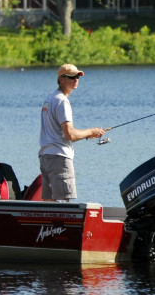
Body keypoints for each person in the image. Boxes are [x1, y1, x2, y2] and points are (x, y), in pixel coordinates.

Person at [38, 64, 106, 202]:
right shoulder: (62, 101)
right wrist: (91, 131)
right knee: (65, 202)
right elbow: (70, 135)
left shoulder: (50, 98)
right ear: (61, 79)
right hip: (59, 158)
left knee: (49, 203)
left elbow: (59, 132)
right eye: (72, 77)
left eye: (77, 76)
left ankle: (52, 224)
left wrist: (88, 135)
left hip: (46, 156)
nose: (76, 79)